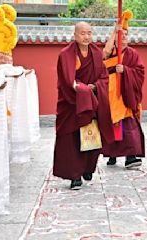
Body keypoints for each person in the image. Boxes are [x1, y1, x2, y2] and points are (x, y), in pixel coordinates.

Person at [53, 22, 114, 190]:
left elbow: (104, 77)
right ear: (75, 35)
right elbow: (67, 80)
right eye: (82, 33)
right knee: (72, 141)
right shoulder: (66, 54)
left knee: (91, 137)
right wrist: (84, 90)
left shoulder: (96, 52)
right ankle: (74, 176)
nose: (86, 37)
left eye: (89, 33)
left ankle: (87, 168)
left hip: (92, 101)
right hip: (71, 103)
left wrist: (94, 88)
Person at [101, 11, 145, 169]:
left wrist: (125, 70)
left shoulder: (132, 54)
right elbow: (103, 56)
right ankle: (112, 154)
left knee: (129, 124)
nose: (124, 37)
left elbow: (140, 72)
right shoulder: (111, 51)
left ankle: (131, 156)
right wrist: (115, 31)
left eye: (126, 35)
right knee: (111, 123)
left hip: (127, 93)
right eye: (121, 35)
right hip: (111, 93)